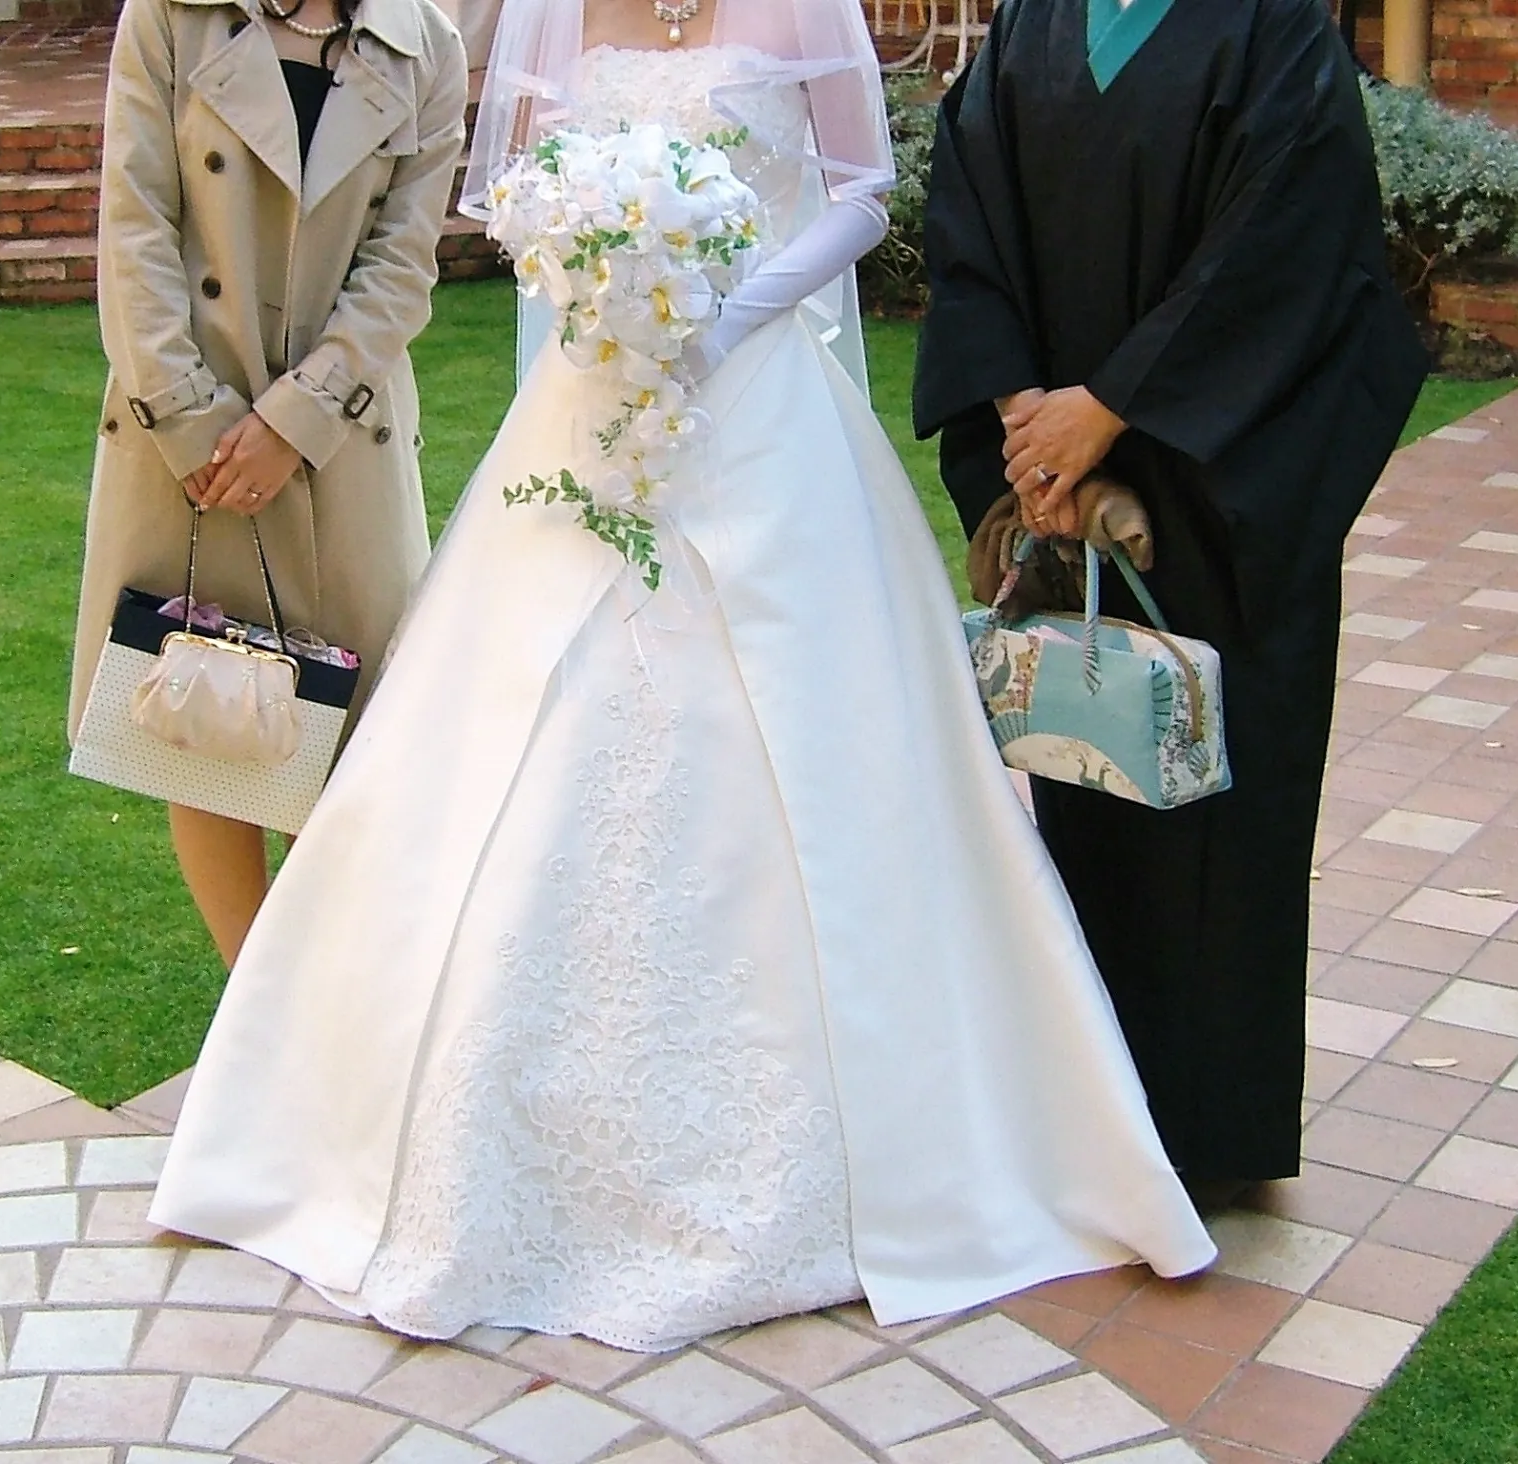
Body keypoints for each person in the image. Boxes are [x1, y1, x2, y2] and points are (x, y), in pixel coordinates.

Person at [149, 0, 1214, 1353]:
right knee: (519, 729)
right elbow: (509, 192)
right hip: (594, 401)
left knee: (821, 746)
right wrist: (593, 286)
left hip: (761, 399)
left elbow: (865, 191)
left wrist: (735, 307)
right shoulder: (553, 11)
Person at [914, 0, 1428, 1189]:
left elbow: (1289, 243)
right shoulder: (1036, 20)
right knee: (1091, 770)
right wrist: (1022, 424)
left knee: (1222, 793)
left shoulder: (1273, 24)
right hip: (1061, 486)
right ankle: (1098, 1107)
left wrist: (1111, 408)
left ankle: (1210, 1133)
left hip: (1218, 480)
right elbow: (968, 219)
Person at [69, 0, 468, 967]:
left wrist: (295, 422)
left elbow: (402, 266)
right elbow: (134, 222)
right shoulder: (172, 17)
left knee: (350, 744)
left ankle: (324, 1019)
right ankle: (252, 1014)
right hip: (185, 437)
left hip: (341, 442)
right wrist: (196, 421)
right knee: (201, 729)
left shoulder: (429, 45)